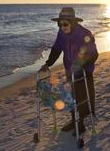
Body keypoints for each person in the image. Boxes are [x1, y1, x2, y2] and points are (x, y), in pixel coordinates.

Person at [39, 7, 98, 135]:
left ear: (73, 22)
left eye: (65, 24)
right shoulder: (61, 33)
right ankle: (74, 121)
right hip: (69, 69)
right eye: (59, 24)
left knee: (82, 97)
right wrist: (48, 63)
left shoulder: (85, 34)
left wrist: (82, 66)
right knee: (71, 96)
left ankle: (80, 124)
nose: (62, 27)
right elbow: (56, 49)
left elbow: (94, 54)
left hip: (84, 70)